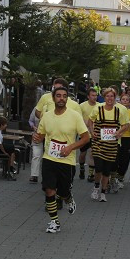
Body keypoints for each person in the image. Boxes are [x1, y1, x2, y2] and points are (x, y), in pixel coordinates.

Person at [34, 87, 90, 233]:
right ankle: (54, 222)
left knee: (63, 191)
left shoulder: (75, 116)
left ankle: (68, 198)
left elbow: (86, 138)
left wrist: (70, 147)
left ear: (67, 99)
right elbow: (40, 135)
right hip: (49, 158)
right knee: (49, 189)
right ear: (53, 98)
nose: (61, 98)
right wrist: (36, 137)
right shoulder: (46, 116)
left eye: (64, 96)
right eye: (58, 96)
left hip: (67, 161)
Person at [29, 78, 81, 183]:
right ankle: (35, 175)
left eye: (59, 89)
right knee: (38, 153)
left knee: (56, 157)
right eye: (55, 88)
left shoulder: (74, 105)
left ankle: (56, 179)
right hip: (45, 131)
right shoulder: (45, 98)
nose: (57, 91)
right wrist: (45, 119)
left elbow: (80, 126)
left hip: (63, 136)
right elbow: (37, 112)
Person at [88, 88, 130, 202]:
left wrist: (119, 132)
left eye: (112, 96)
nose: (110, 98)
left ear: (115, 98)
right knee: (98, 168)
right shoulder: (98, 108)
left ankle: (103, 192)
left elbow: (126, 125)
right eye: (107, 96)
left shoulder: (118, 111)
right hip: (98, 143)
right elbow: (90, 121)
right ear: (104, 97)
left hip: (111, 145)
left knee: (107, 170)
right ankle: (96, 187)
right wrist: (92, 132)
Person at [114, 93, 130, 191]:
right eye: (123, 99)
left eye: (127, 100)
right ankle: (113, 179)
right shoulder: (115, 110)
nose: (125, 101)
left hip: (127, 138)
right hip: (117, 138)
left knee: (125, 160)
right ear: (120, 101)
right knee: (115, 159)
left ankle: (120, 178)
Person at [78, 88, 99, 181]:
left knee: (92, 153)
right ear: (88, 96)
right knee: (83, 153)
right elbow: (78, 118)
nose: (95, 97)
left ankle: (90, 174)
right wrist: (85, 123)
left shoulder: (99, 106)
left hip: (94, 133)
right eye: (92, 95)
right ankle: (82, 168)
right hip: (84, 133)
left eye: (96, 95)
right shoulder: (82, 106)